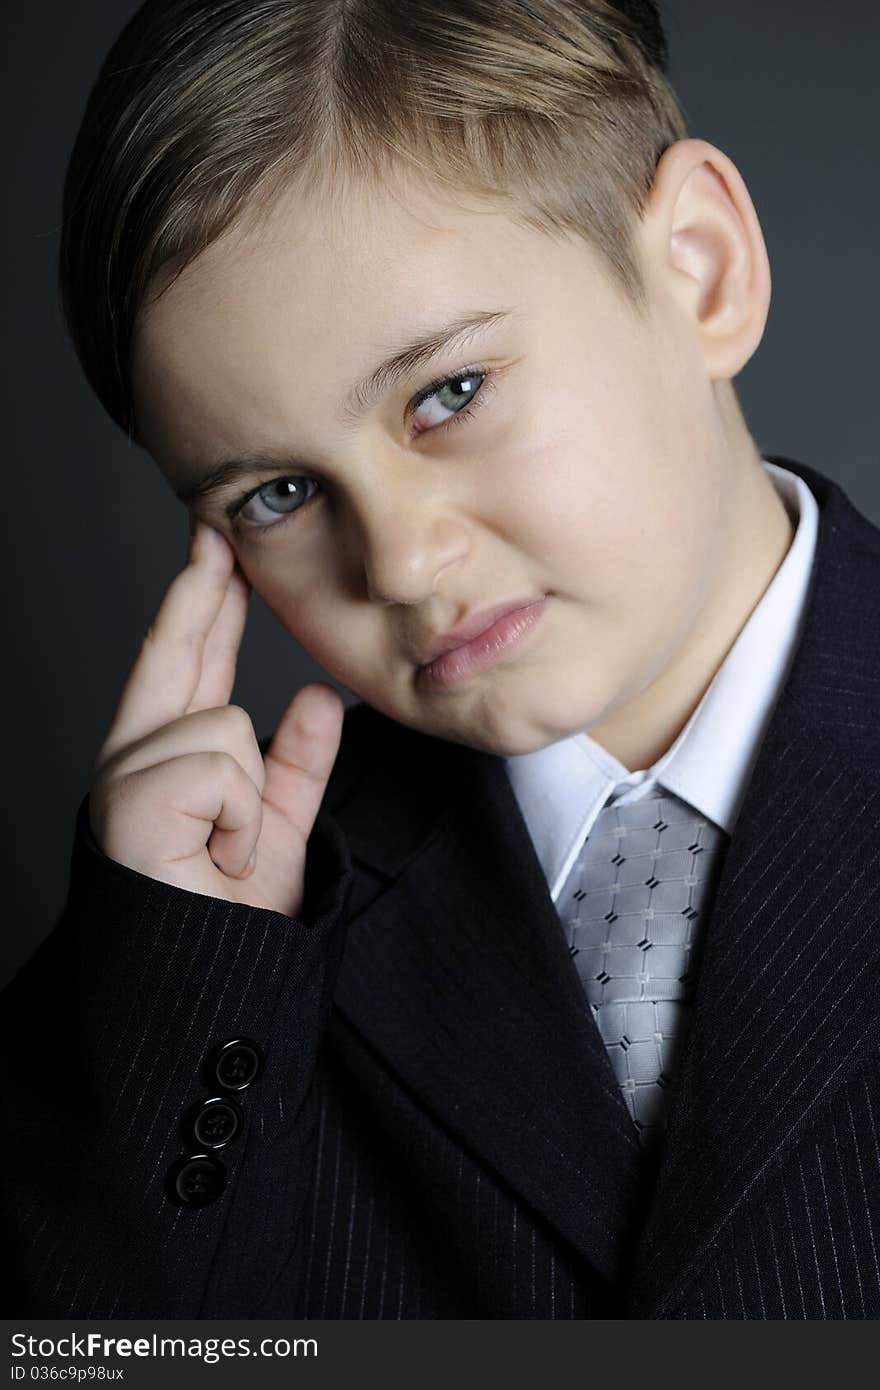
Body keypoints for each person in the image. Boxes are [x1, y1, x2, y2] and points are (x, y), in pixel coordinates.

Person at [3, 0, 879, 1320]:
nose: (400, 565)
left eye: (448, 393)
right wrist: (178, 1002)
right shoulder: (210, 958)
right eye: (279, 493)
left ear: (700, 270)